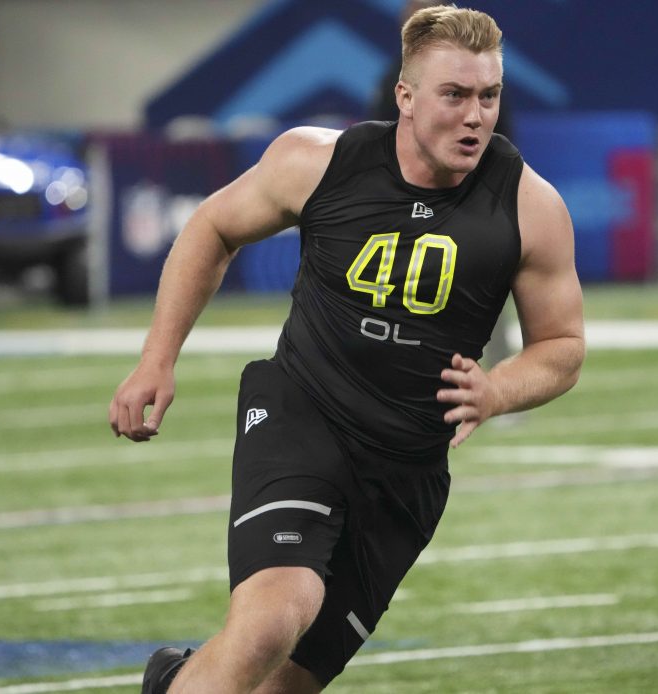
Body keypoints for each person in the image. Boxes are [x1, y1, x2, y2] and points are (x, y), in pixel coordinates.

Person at [110, 6, 584, 693]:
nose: (476, 115)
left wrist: (499, 389)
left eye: (489, 96)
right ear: (405, 97)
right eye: (455, 95)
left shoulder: (530, 207)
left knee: (287, 685)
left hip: (406, 470)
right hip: (305, 416)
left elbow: (563, 345)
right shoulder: (320, 162)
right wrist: (157, 357)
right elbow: (212, 226)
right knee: (272, 620)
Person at [371, 0, 516, 373]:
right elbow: (380, 144)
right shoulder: (393, 77)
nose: (473, 112)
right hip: (402, 204)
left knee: (485, 286)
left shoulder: (482, 72)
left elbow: (500, 142)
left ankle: (496, 377)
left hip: (468, 200)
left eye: (486, 97)